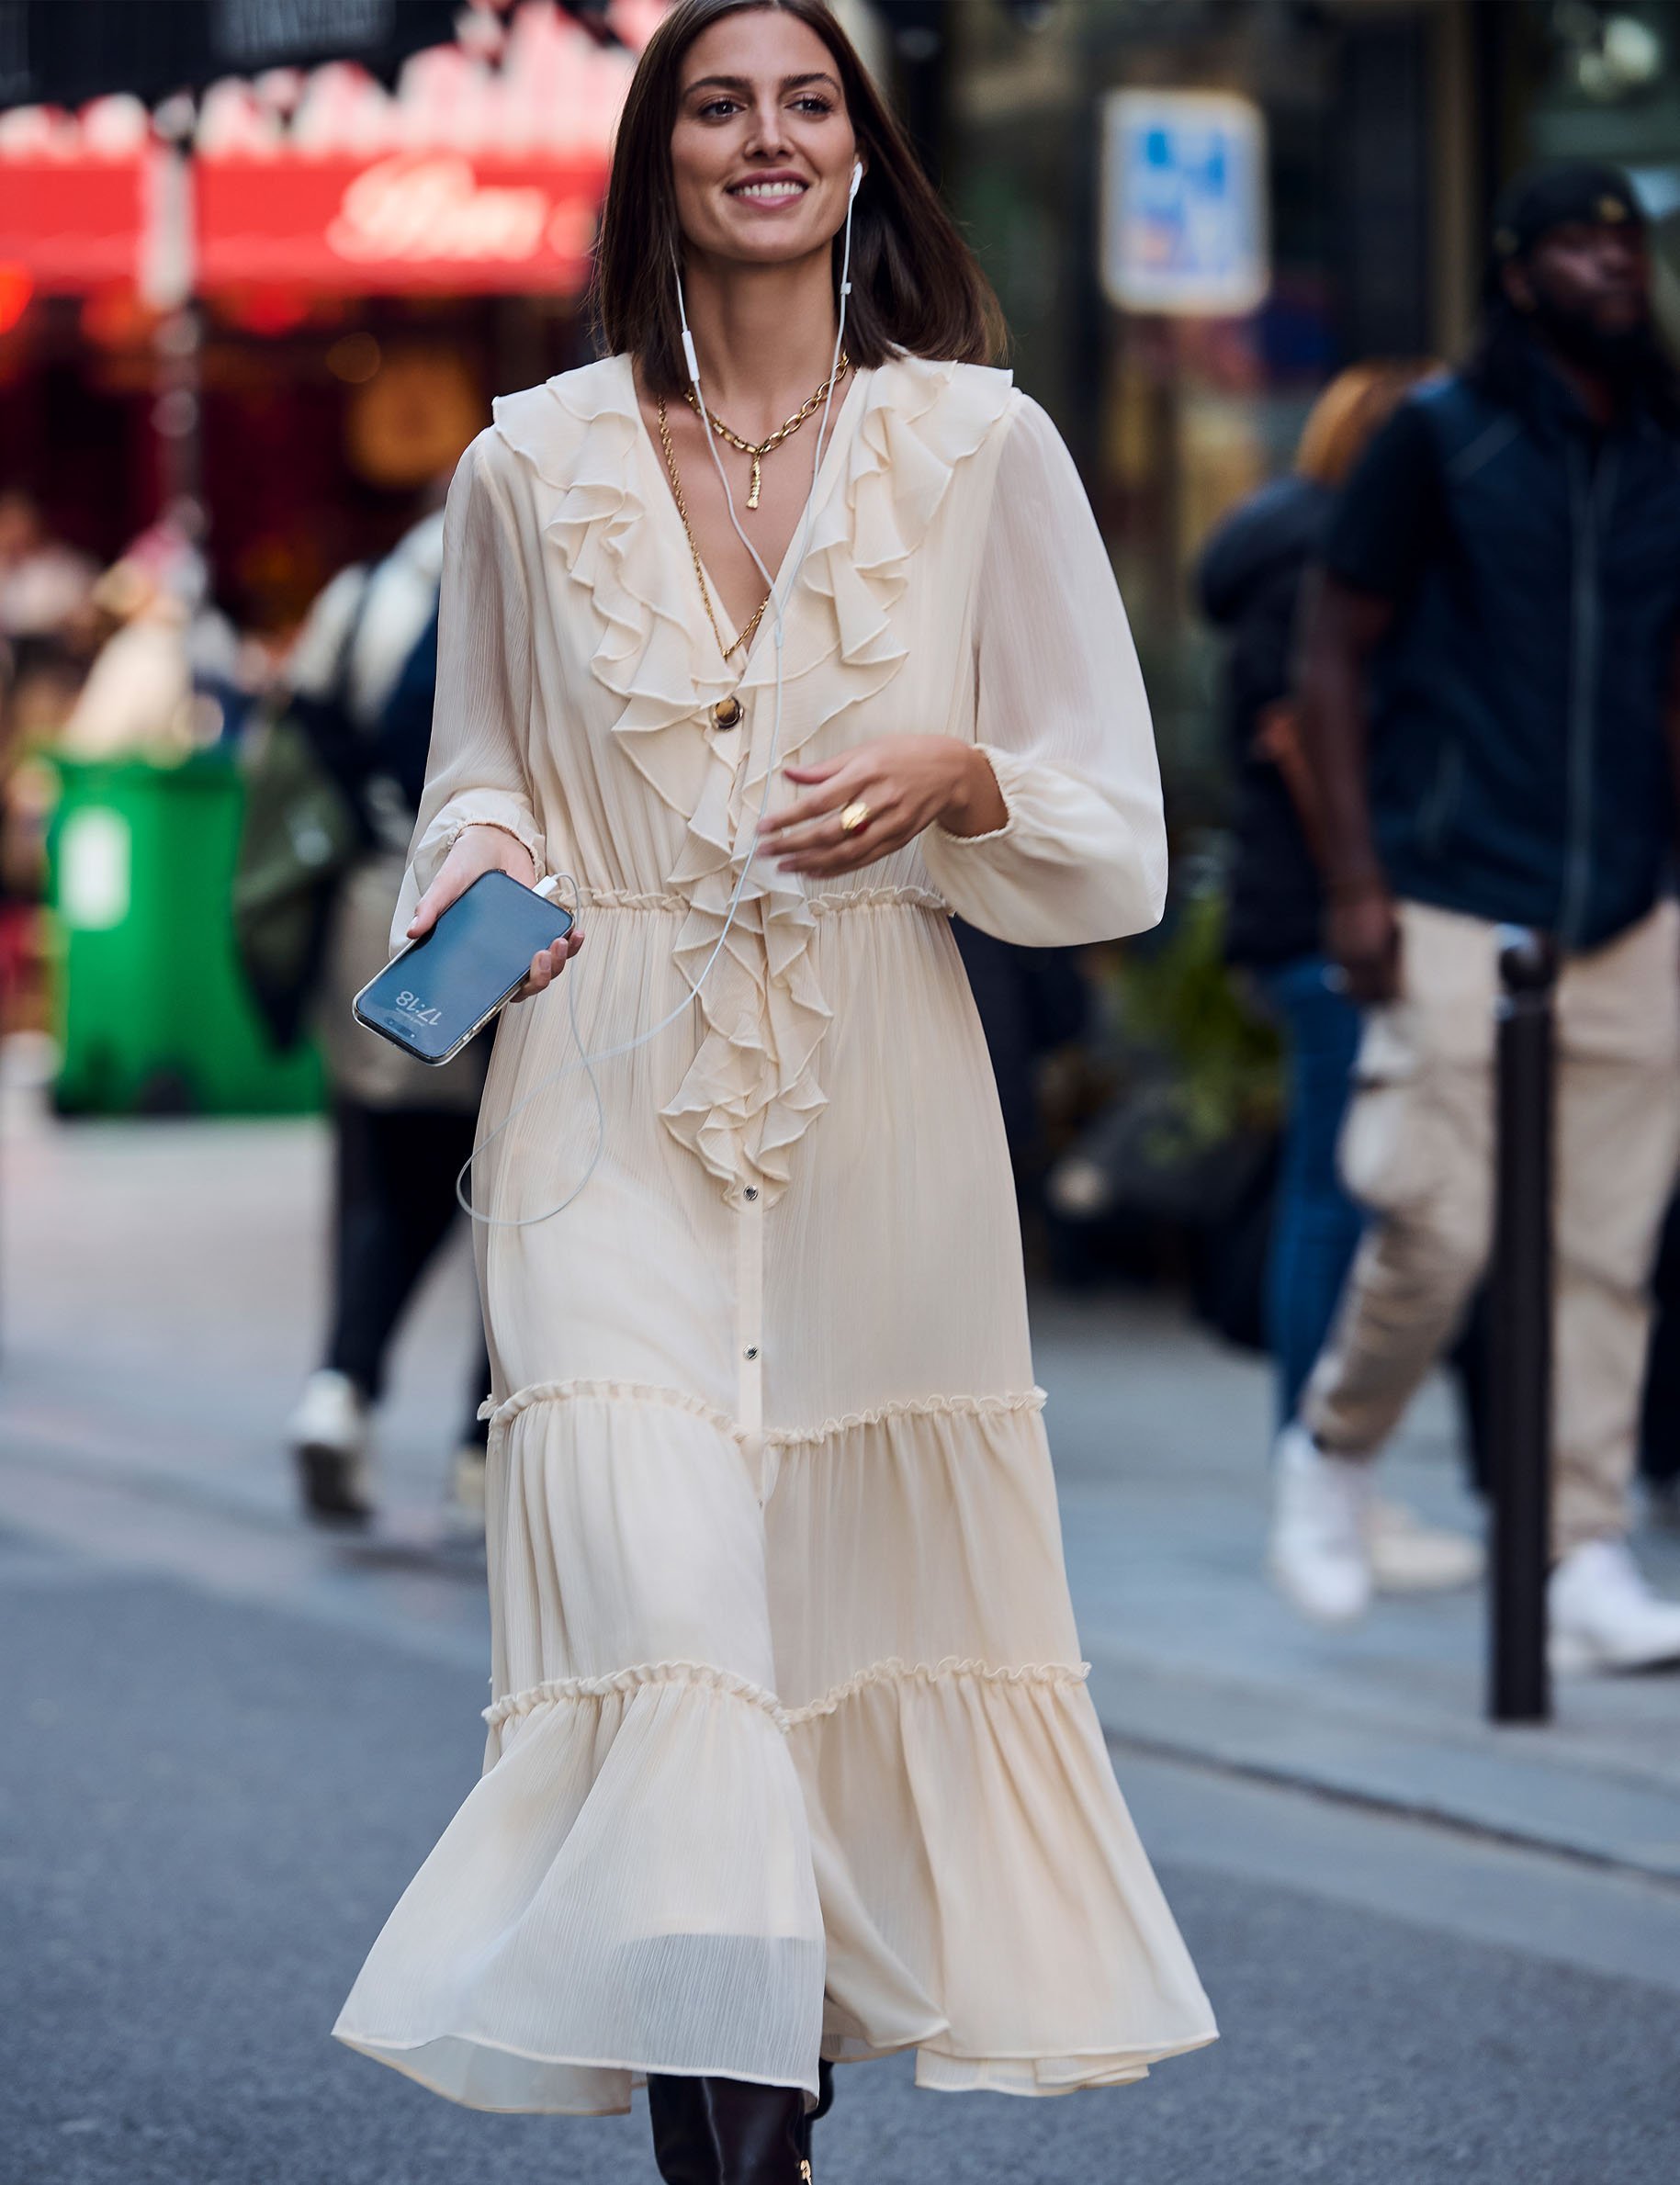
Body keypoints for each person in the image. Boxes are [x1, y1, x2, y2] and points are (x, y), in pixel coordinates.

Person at [331, 2, 1214, 2174]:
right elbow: (474, 774)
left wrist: (964, 765)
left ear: (860, 157)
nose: (767, 137)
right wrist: (487, 872)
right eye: (719, 103)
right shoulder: (524, 465)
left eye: (808, 103)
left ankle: (764, 2121)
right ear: (660, 161)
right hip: (601, 1111)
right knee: (679, 1634)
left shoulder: (985, 447)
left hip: (878, 1108)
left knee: (815, 1661)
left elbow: (1114, 830)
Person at [1275, 162, 1680, 1672]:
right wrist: (1355, 879)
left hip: (1625, 898)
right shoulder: (1434, 439)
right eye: (1576, 241)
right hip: (1449, 880)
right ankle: (1330, 1445)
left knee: (1601, 1253)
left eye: (1624, 241)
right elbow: (1325, 651)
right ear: (1515, 273)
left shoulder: (1656, 446)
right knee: (1436, 1217)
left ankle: (1575, 1544)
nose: (1609, 263)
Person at [1199, 364, 1483, 1598]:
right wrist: (1367, 893)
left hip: (1314, 915)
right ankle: (1319, 1475)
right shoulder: (1316, 560)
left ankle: (1329, 1474)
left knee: (1351, 1185)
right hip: (1327, 923)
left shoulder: (1297, 553)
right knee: (1339, 1191)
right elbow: (1302, 737)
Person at [283, 501, 494, 1529]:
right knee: (517, 1186)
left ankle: (340, 1389)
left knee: (385, 1175)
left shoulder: (359, 597)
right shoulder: (526, 590)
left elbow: (300, 758)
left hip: (383, 912)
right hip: (508, 929)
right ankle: (480, 1451)